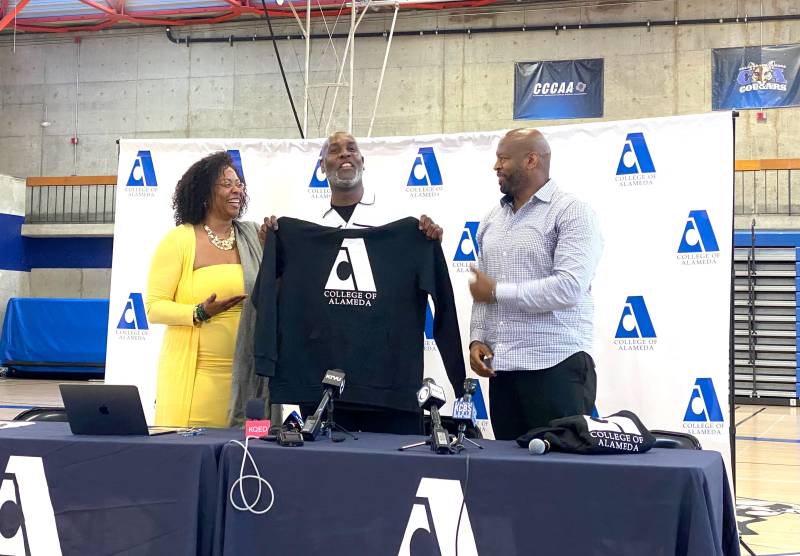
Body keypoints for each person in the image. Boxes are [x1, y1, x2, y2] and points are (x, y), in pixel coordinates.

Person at [258, 131, 448, 434]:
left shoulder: (402, 224)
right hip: (318, 388)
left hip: (389, 391)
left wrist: (456, 370)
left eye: (352, 149)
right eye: (334, 150)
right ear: (321, 166)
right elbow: (269, 299)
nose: (344, 154)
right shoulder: (300, 229)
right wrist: (273, 255)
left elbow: (443, 303)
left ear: (362, 160)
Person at [468, 128, 603, 441]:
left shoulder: (572, 211)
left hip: (556, 366)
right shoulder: (491, 219)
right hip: (504, 370)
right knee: (510, 475)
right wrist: (478, 339)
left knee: (561, 476)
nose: (496, 166)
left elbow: (570, 286)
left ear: (531, 160)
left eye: (503, 158)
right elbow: (483, 289)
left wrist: (498, 292)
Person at [146, 151, 267, 428]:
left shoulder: (253, 237)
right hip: (197, 383)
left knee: (250, 461)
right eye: (227, 184)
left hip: (252, 382)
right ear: (204, 192)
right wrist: (200, 311)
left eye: (239, 183)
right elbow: (154, 308)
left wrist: (273, 249)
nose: (237, 189)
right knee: (195, 459)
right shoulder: (180, 240)